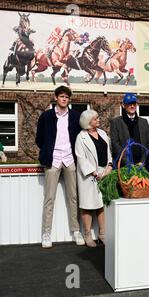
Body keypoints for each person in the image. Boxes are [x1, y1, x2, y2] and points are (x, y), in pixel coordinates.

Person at [35, 85, 85, 249]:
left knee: (73, 197)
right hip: (53, 159)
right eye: (62, 96)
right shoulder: (46, 116)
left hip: (70, 159)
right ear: (56, 98)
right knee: (49, 198)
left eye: (67, 97)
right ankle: (46, 233)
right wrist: (48, 150)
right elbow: (39, 139)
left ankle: (76, 231)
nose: (64, 99)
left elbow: (79, 138)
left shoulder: (75, 116)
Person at [75, 110, 113, 247]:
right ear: (88, 122)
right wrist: (94, 173)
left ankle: (102, 234)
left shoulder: (103, 133)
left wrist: (109, 166)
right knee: (87, 205)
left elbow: (109, 152)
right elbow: (81, 158)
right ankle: (87, 235)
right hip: (90, 176)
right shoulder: (81, 137)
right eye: (95, 119)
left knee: (101, 204)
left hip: (104, 173)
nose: (98, 120)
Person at [110, 93, 149, 166]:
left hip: (142, 165)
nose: (132, 106)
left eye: (134, 104)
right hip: (124, 166)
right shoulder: (116, 122)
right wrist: (127, 162)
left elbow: (148, 143)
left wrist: (143, 161)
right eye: (129, 104)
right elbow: (115, 144)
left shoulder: (144, 122)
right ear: (123, 105)